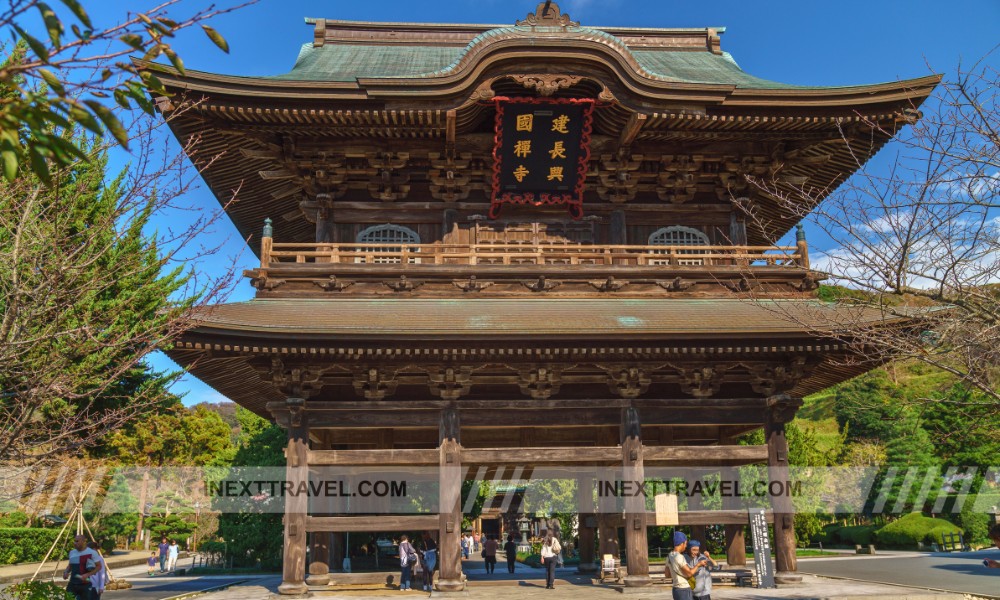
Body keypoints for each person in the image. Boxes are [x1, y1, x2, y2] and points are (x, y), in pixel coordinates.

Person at [62, 535, 101, 600]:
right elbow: (70, 566)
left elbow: (99, 566)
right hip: (72, 583)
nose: (75, 543)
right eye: (74, 541)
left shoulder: (92, 552)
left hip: (85, 583)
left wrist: (88, 574)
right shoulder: (72, 552)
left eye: (77, 541)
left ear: (83, 541)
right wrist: (66, 572)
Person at [667, 531, 701, 600]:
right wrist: (698, 565)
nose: (685, 546)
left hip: (675, 589)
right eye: (685, 544)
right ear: (682, 543)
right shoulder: (679, 556)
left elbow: (667, 574)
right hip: (684, 589)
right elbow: (689, 573)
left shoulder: (669, 556)